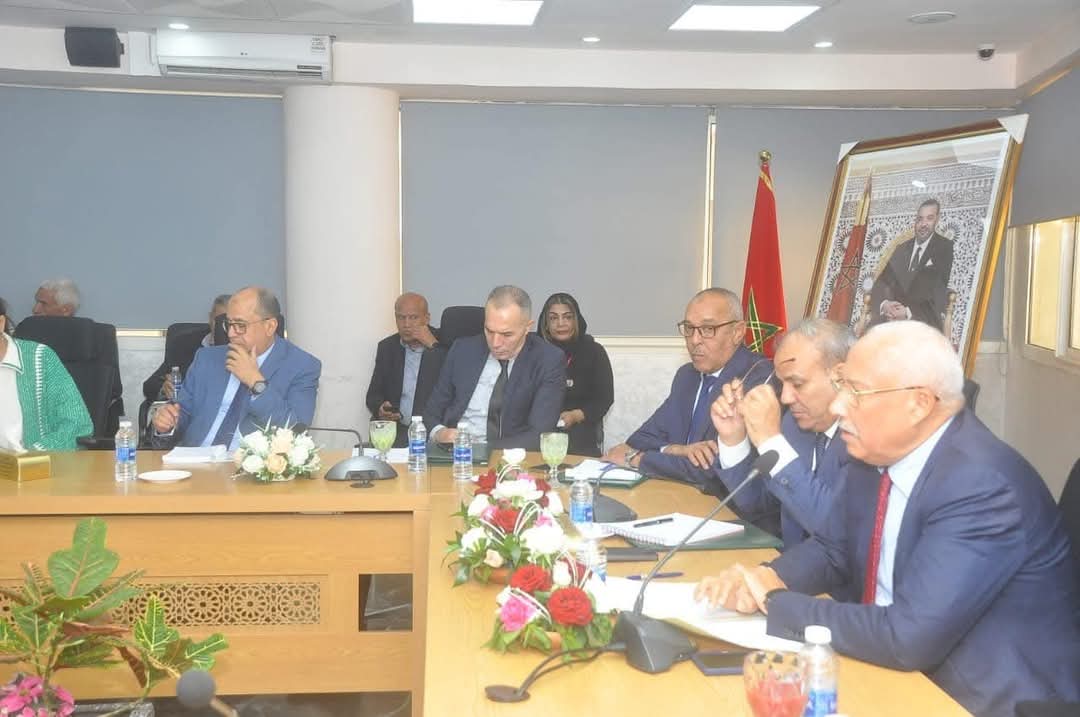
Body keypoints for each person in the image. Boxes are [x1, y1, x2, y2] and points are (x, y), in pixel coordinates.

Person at [694, 321, 1080, 717]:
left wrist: (775, 604)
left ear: (919, 403)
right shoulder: (873, 457)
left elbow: (907, 637)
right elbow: (832, 549)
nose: (839, 406)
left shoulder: (981, 485)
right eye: (841, 387)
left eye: (855, 392)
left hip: (979, 700)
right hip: (898, 672)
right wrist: (765, 577)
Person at [707, 318, 853, 548]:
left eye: (797, 384)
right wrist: (733, 439)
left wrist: (771, 441)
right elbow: (759, 503)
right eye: (781, 383)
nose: (784, 398)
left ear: (840, 377)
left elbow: (835, 530)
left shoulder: (867, 436)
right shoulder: (793, 425)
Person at [604, 288, 768, 489]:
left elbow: (713, 470)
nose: (694, 340)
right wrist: (677, 449)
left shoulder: (757, 380)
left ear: (738, 332)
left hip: (723, 504)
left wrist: (638, 459)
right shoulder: (687, 376)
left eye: (707, 329)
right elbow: (640, 439)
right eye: (689, 328)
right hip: (674, 493)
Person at [151, 287, 321, 448]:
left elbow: (295, 431)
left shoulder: (302, 366)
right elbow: (182, 414)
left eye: (240, 325)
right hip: (196, 460)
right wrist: (167, 422)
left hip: (250, 464)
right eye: (229, 324)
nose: (231, 334)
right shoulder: (206, 359)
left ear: (270, 326)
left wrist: (256, 382)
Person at [423, 285, 564, 451]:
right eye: (489, 331)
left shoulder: (548, 360)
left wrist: (479, 449)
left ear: (528, 327)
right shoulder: (462, 350)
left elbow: (539, 434)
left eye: (507, 334)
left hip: (509, 457)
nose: (495, 343)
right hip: (454, 454)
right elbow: (431, 412)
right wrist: (439, 433)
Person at [0, 297, 92, 451]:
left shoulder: (40, 358)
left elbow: (77, 425)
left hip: (37, 460)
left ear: (1, 323)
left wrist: (33, 455)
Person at [365, 292, 448, 447]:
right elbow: (373, 395)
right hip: (398, 431)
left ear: (426, 318)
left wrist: (433, 345)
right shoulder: (387, 348)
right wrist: (381, 408)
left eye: (413, 317)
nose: (406, 324)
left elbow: (455, 378)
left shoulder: (445, 342)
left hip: (434, 432)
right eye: (401, 317)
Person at [537, 292, 614, 457]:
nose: (561, 324)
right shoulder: (535, 352)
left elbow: (604, 398)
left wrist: (576, 415)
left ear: (576, 320)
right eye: (553, 318)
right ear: (545, 324)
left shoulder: (594, 351)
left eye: (567, 317)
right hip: (537, 433)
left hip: (579, 430)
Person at [868, 198, 954, 331]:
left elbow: (937, 294)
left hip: (921, 322)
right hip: (889, 320)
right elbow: (880, 283)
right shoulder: (901, 249)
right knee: (867, 337)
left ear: (937, 220)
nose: (923, 224)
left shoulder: (944, 247)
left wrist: (907, 313)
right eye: (920, 219)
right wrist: (885, 305)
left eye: (929, 218)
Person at [142, 294, 231, 404]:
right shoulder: (184, 343)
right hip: (188, 409)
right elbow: (150, 386)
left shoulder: (245, 349)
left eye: (228, 323)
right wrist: (164, 389)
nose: (223, 328)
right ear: (210, 318)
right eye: (219, 321)